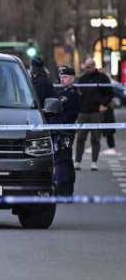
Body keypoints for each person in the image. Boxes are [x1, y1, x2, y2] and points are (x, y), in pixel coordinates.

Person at [74, 57, 113, 171]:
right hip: (83, 112)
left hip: (96, 112)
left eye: (89, 67)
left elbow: (109, 93)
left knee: (95, 138)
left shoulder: (103, 78)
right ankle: (77, 162)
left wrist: (104, 104)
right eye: (86, 67)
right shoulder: (83, 78)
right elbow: (79, 91)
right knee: (80, 138)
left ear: (94, 65)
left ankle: (94, 162)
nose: (87, 69)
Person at [48, 66, 81, 196]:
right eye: (61, 77)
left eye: (65, 77)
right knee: (66, 160)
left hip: (64, 132)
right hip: (61, 131)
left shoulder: (71, 94)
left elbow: (54, 106)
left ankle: (62, 190)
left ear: (72, 79)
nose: (62, 79)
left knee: (61, 161)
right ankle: (67, 191)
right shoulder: (64, 92)